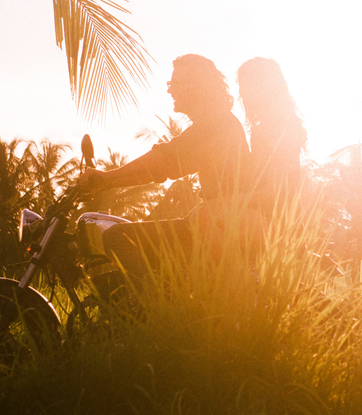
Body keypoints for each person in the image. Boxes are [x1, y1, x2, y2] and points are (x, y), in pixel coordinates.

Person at [80, 54, 249, 283]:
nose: (170, 91)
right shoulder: (216, 122)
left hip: (220, 227)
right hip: (219, 224)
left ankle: (157, 309)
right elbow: (163, 169)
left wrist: (106, 178)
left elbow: (164, 161)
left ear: (198, 87)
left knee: (118, 237)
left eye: (176, 84)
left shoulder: (214, 123)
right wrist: (108, 182)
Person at [236, 57, 307, 218]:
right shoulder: (267, 128)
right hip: (276, 221)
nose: (242, 92)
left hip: (278, 225)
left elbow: (278, 190)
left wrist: (230, 201)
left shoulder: (278, 128)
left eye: (248, 83)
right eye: (241, 85)